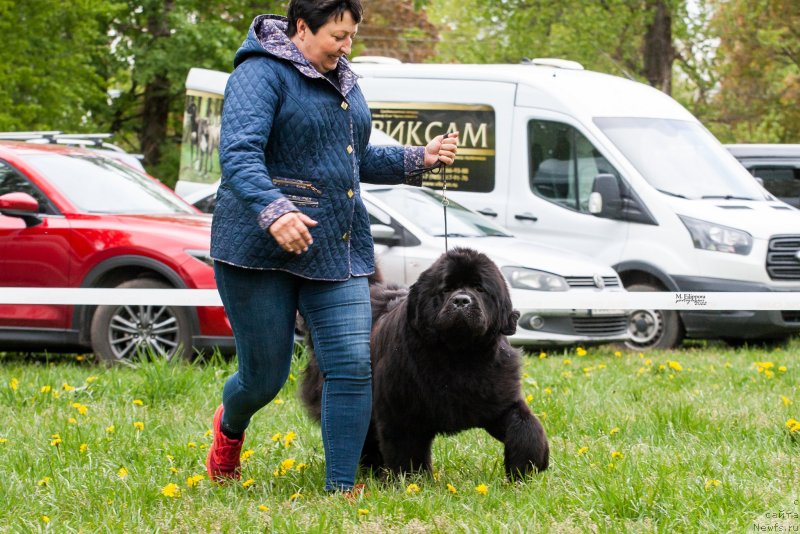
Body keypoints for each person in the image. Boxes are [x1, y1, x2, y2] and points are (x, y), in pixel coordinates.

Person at [206, 0, 459, 493]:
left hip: (336, 249)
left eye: (352, 37)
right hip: (257, 252)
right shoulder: (260, 74)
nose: (346, 48)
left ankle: (342, 488)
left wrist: (418, 158)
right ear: (302, 27)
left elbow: (353, 158)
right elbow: (238, 154)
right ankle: (229, 429)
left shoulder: (343, 79)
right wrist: (275, 210)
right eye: (337, 37)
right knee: (263, 378)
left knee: (350, 364)